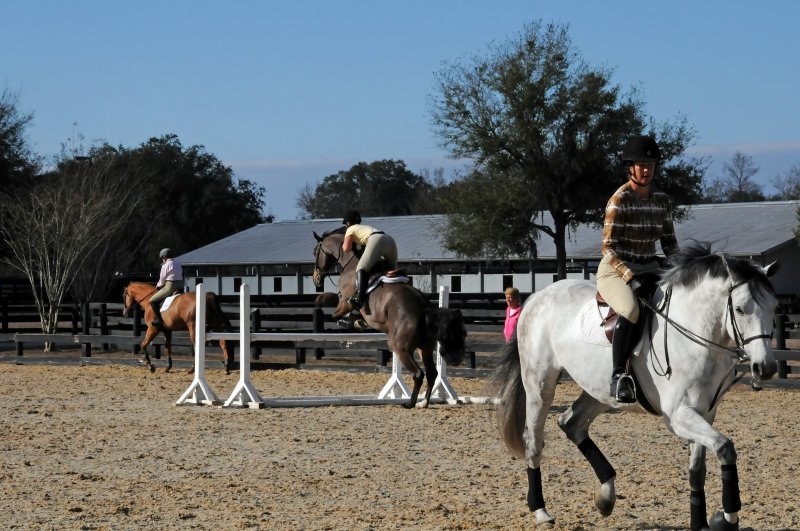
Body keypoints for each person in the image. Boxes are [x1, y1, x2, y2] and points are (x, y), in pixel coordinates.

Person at [597, 135, 679, 403]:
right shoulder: (619, 200)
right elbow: (607, 248)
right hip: (616, 268)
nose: (646, 170)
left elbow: (668, 242)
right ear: (630, 168)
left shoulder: (662, 200)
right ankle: (618, 375)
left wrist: (683, 269)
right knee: (632, 309)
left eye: (651, 165)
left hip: (649, 265)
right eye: (641, 165)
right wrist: (629, 278)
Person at [341, 210, 398, 310]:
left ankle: (360, 298)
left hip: (376, 240)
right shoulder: (365, 228)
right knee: (393, 273)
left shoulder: (350, 229)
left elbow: (346, 248)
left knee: (360, 268)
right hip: (389, 239)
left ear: (348, 223)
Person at [150, 248, 184, 327]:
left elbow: (162, 280)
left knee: (152, 300)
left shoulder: (165, 265)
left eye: (162, 259)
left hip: (170, 286)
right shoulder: (178, 263)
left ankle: (159, 320)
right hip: (180, 285)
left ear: (164, 257)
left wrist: (157, 286)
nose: (162, 260)